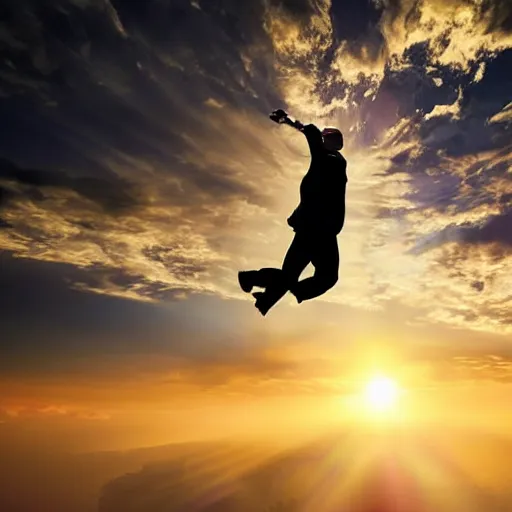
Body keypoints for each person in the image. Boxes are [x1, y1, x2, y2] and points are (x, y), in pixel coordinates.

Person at [238, 109, 348, 316]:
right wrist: (287, 120)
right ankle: (257, 284)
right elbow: (311, 131)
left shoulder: (337, 160)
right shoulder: (324, 155)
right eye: (335, 138)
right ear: (329, 141)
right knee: (326, 277)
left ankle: (255, 284)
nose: (338, 143)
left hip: (319, 228)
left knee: (292, 276)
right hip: (318, 230)